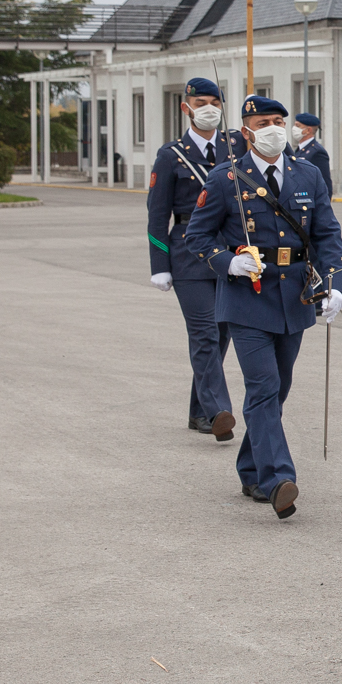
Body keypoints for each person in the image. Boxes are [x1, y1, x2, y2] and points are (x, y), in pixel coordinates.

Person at [181, 95, 342, 519]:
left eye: (279, 121)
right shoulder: (225, 178)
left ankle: (251, 468)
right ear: (246, 130)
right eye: (264, 122)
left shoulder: (306, 173)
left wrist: (334, 286)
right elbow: (196, 238)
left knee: (279, 390)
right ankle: (278, 478)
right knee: (264, 388)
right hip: (246, 299)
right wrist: (227, 262)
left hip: (293, 299)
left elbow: (327, 235)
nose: (274, 129)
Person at [145, 77, 240, 439]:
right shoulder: (171, 156)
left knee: (220, 335)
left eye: (215, 102)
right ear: (186, 107)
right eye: (201, 102)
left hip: (230, 253)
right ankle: (218, 412)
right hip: (188, 253)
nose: (208, 109)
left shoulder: (235, 147)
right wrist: (159, 265)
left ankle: (199, 411)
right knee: (203, 332)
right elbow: (157, 214)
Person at [292, 113, 332, 193]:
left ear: (308, 130)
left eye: (298, 126)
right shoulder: (300, 149)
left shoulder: (317, 152)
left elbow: (325, 182)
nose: (294, 128)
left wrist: (323, 204)